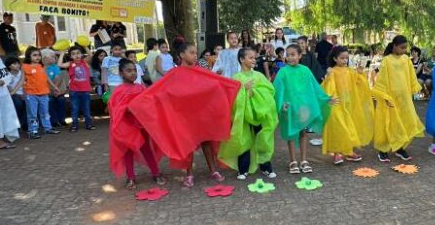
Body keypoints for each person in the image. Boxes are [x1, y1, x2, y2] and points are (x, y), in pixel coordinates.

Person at [128, 42, 241, 187]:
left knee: (207, 142)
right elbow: (159, 91)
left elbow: (216, 82)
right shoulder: (174, 74)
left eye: (195, 53)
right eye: (191, 53)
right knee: (188, 144)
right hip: (185, 118)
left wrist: (235, 85)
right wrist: (137, 104)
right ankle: (189, 174)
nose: (195, 56)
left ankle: (213, 170)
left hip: (201, 114)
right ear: (182, 55)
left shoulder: (200, 71)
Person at [218, 47, 278, 180]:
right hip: (244, 116)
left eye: (254, 57)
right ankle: (243, 169)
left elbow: (269, 91)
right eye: (250, 58)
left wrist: (254, 92)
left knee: (262, 139)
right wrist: (244, 91)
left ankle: (266, 167)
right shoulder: (236, 78)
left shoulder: (259, 76)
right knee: (243, 139)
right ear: (241, 59)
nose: (253, 60)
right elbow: (232, 97)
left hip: (258, 114)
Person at [273, 44, 335, 174]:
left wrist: (325, 98)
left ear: (300, 56)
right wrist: (281, 103)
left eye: (293, 54)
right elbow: (277, 89)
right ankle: (293, 161)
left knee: (303, 133)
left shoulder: (305, 70)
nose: (290, 57)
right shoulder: (283, 72)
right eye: (287, 54)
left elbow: (314, 87)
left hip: (302, 108)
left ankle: (304, 160)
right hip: (289, 108)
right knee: (291, 134)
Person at [108, 58, 165, 189]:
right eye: (128, 71)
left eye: (134, 70)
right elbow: (115, 110)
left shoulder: (140, 87)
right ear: (121, 73)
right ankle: (130, 177)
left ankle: (156, 173)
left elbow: (147, 104)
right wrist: (128, 108)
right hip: (127, 126)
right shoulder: (118, 90)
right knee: (128, 151)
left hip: (141, 125)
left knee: (146, 149)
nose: (132, 73)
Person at [371, 35, 425, 162]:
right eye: (402, 47)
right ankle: (383, 150)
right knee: (388, 122)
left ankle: (400, 147)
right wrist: (385, 97)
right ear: (394, 46)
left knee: (405, 120)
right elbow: (382, 80)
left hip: (404, 98)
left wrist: (413, 90)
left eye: (406, 48)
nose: (404, 50)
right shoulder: (387, 60)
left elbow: (412, 76)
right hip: (390, 98)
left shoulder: (406, 59)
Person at [322, 46, 376, 165]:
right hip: (337, 104)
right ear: (335, 59)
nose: (345, 60)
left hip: (349, 104)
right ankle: (337, 153)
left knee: (350, 126)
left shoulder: (350, 71)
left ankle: (349, 151)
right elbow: (328, 86)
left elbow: (359, 83)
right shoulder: (333, 71)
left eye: (346, 58)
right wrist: (329, 98)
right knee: (339, 127)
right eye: (342, 58)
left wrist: (361, 74)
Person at [23, 46, 61, 139]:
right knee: (32, 114)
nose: (37, 57)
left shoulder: (41, 66)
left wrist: (54, 86)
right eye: (34, 55)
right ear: (29, 56)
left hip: (44, 93)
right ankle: (33, 130)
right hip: (31, 94)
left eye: (38, 55)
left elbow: (46, 78)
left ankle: (48, 128)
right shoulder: (25, 67)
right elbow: (22, 80)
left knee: (45, 112)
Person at [58, 46, 95, 132]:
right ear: (70, 56)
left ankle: (88, 124)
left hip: (85, 90)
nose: (76, 55)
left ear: (82, 54)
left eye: (78, 53)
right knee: (75, 109)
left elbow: (91, 56)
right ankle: (74, 125)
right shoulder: (70, 64)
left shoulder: (84, 62)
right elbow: (59, 64)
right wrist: (62, 52)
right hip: (74, 91)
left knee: (86, 108)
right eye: (73, 54)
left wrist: (85, 46)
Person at [43, 49, 68, 128]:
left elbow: (58, 78)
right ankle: (54, 121)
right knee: (50, 102)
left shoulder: (56, 67)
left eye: (55, 57)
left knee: (61, 100)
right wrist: (50, 90)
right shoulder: (42, 69)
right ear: (44, 59)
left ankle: (62, 120)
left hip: (58, 91)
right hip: (47, 92)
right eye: (52, 57)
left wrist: (54, 90)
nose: (55, 59)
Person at [4, 56, 27, 131]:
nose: (18, 65)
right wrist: (17, 95)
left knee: (27, 103)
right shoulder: (7, 76)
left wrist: (24, 94)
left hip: (25, 94)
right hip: (13, 95)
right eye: (14, 64)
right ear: (9, 66)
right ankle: (17, 124)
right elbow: (8, 89)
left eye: (18, 63)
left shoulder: (23, 74)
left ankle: (23, 124)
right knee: (18, 104)